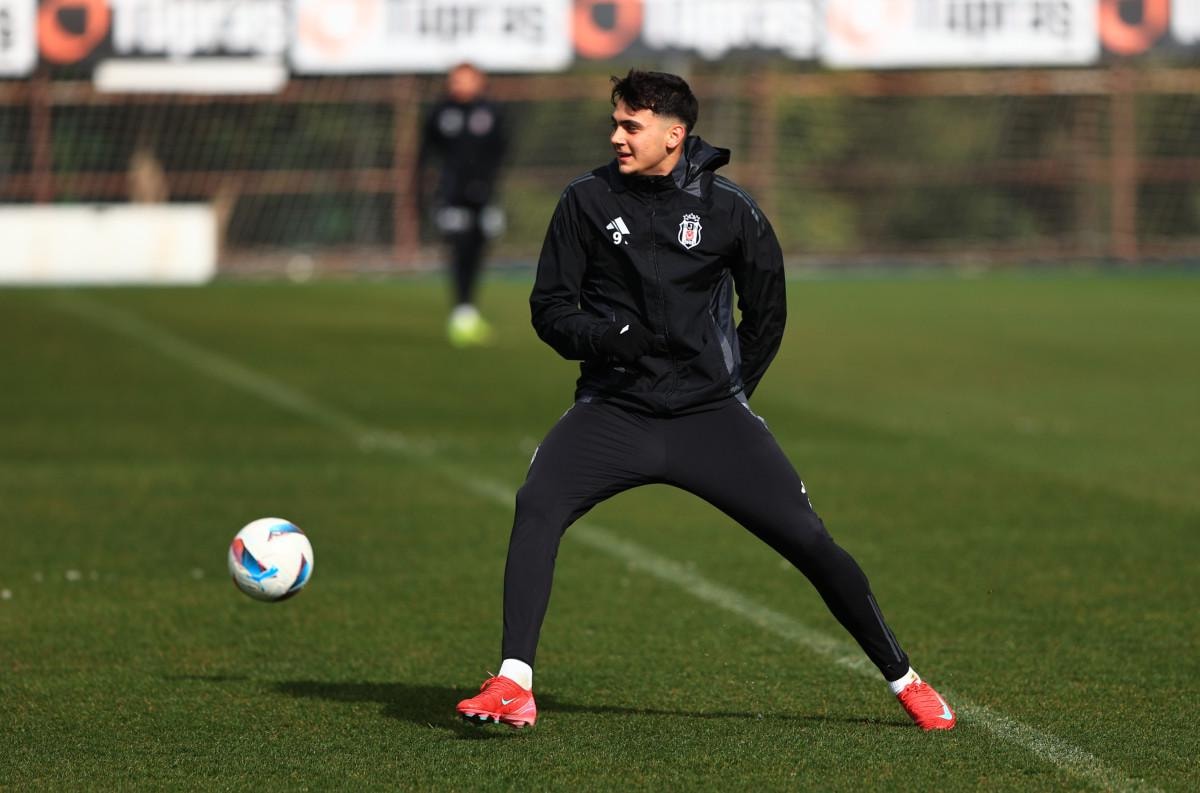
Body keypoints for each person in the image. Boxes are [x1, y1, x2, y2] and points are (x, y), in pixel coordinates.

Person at [455, 70, 956, 732]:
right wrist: (608, 338)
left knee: (810, 542)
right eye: (615, 123)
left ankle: (906, 679)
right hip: (614, 410)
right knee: (538, 503)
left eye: (631, 125)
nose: (617, 137)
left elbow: (767, 311)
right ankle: (514, 681)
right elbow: (549, 309)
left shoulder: (731, 209)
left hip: (710, 417)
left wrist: (729, 390)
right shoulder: (584, 200)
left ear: (674, 134)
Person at [417, 62, 508, 347]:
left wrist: (490, 188)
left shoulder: (491, 112)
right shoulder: (440, 112)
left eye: (467, 79)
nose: (460, 85)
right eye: (456, 80)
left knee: (477, 250)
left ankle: (467, 310)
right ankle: (462, 312)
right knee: (459, 248)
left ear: (480, 82)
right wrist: (425, 192)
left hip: (483, 196)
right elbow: (425, 153)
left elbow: (500, 152)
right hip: (451, 196)